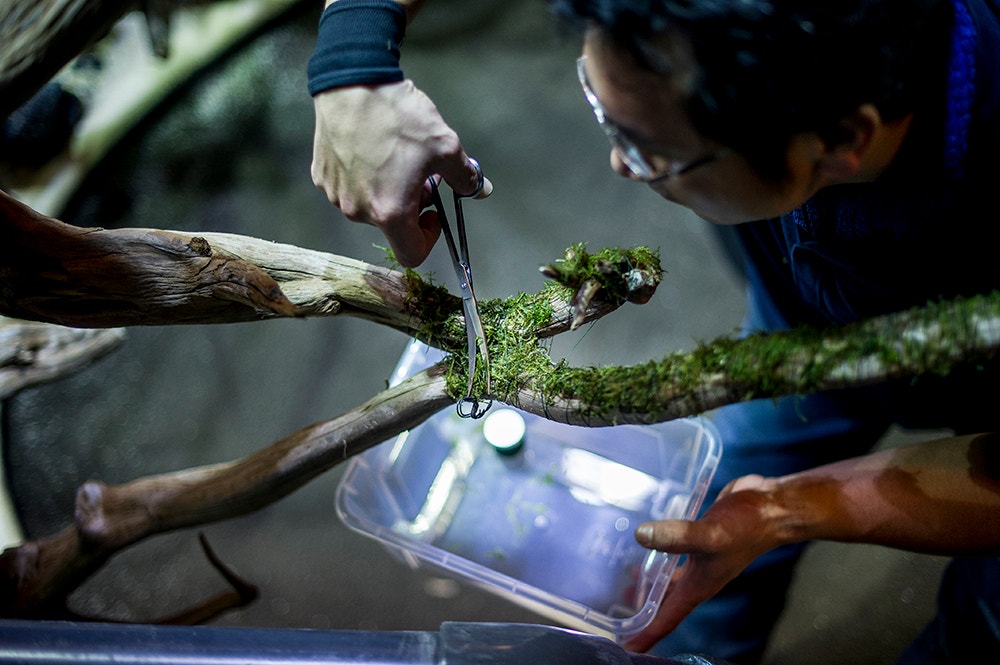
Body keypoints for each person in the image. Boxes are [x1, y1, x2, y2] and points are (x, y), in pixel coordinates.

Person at [307, 1, 1000, 663]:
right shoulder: (770, 105)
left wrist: (792, 508)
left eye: (650, 151)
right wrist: (353, 54)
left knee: (980, 627)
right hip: (803, 330)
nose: (618, 164)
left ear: (842, 140)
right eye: (599, 103)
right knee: (695, 555)